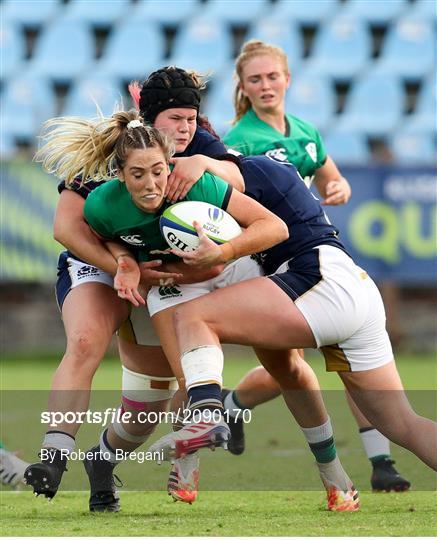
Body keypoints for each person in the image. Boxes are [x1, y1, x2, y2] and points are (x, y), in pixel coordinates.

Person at [31, 107, 361, 513]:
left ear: (170, 161)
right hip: (170, 284)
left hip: (229, 266)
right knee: (166, 393)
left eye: (158, 171)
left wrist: (221, 251)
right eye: (138, 175)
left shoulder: (199, 181)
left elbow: (274, 227)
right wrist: (124, 261)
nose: (152, 184)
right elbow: (99, 234)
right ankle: (148, 458)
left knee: (287, 366)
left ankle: (333, 474)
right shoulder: (102, 202)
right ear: (120, 175)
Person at [24, 66, 245, 511]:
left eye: (191, 118)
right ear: (149, 119)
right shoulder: (121, 149)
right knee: (85, 341)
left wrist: (204, 163)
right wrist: (122, 265)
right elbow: (68, 228)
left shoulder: (201, 146)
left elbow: (239, 184)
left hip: (158, 276)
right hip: (100, 263)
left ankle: (102, 460)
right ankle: (53, 457)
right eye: (175, 120)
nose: (185, 128)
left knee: (147, 407)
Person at [145, 155, 437, 476]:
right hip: (355, 286)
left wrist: (199, 161)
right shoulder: (271, 168)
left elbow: (233, 175)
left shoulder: (248, 167)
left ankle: (207, 417)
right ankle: (321, 465)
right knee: (401, 423)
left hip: (319, 277)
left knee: (192, 316)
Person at [222, 39, 410, 492]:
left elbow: (329, 174)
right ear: (243, 88)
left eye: (272, 76)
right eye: (255, 79)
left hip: (314, 251)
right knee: (293, 366)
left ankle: (380, 461)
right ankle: (230, 404)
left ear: (288, 79)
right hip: (276, 260)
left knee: (339, 353)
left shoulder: (304, 130)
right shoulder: (239, 141)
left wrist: (338, 185)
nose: (266, 85)